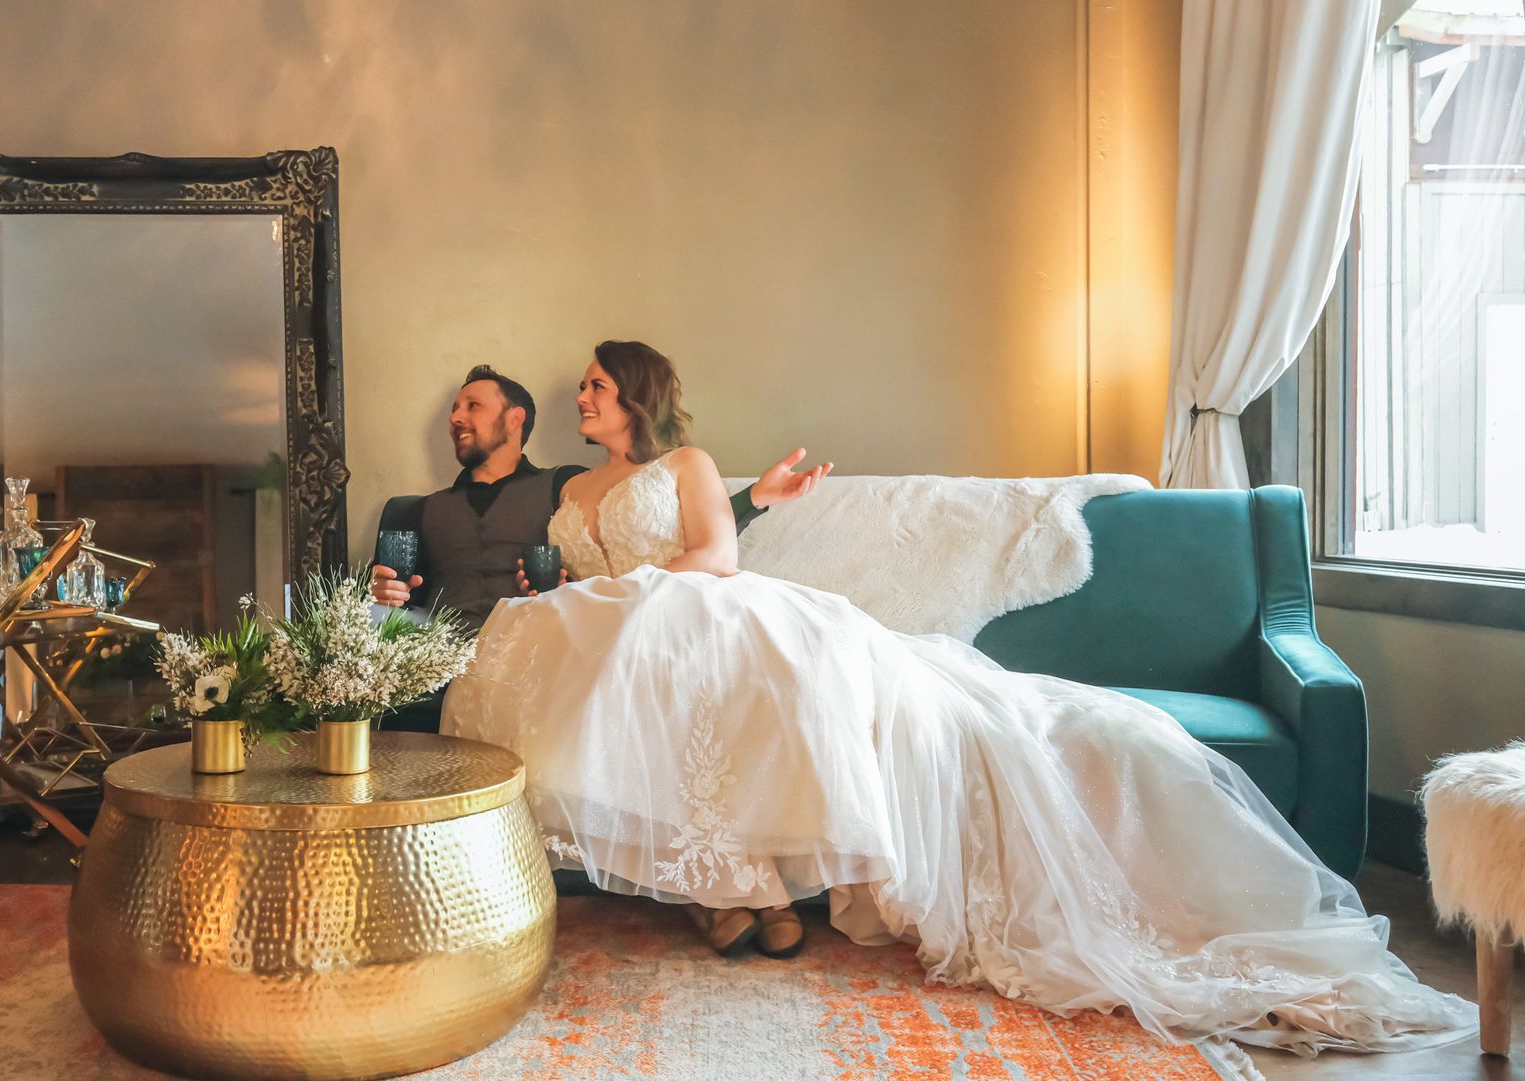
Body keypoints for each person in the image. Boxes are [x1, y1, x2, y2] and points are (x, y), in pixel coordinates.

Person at [442, 340, 1477, 1056]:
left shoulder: (692, 463)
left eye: (592, 386)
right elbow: (577, 578)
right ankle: (740, 892)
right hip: (632, 620)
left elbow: (710, 554)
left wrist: (640, 589)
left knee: (716, 666)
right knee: (579, 656)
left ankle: (747, 891)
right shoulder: (569, 494)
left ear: (631, 394)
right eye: (576, 388)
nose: (579, 399)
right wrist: (571, 597)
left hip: (693, 604)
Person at [370, 363, 830, 733]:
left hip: (534, 644)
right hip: (442, 653)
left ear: (514, 419)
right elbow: (400, 594)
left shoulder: (564, 486)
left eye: (472, 405)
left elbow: (655, 521)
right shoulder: (423, 510)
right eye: (455, 408)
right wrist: (383, 595)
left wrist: (752, 499)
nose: (456, 418)